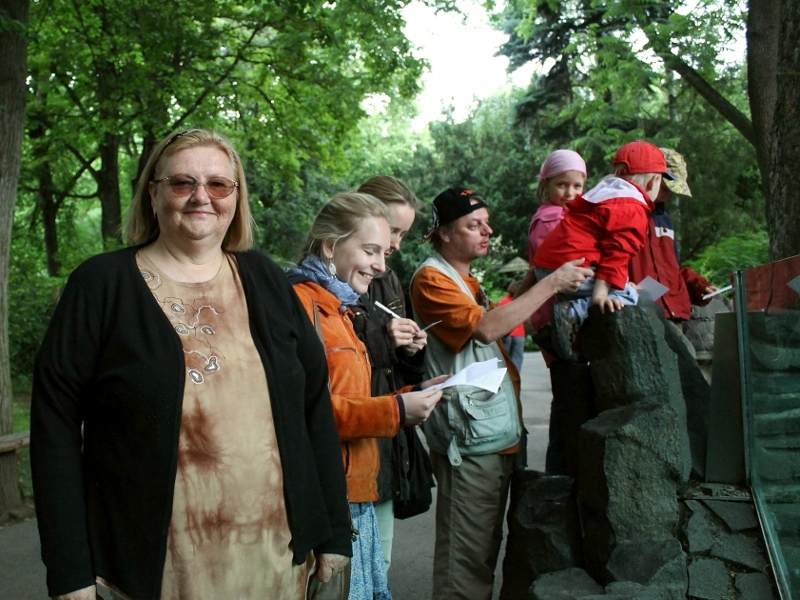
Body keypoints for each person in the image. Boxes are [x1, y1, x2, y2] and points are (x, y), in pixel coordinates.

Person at [30, 129, 352, 600]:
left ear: (235, 199)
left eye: (219, 185)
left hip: (272, 559)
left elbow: (312, 409)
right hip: (155, 569)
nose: (202, 196)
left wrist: (334, 530)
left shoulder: (265, 278)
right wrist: (69, 567)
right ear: (154, 193)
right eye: (183, 183)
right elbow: (54, 426)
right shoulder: (101, 285)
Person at [408, 187, 592, 600]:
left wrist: (534, 276)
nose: (487, 231)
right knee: (465, 562)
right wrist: (552, 284)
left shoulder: (463, 278)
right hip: (470, 443)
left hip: (492, 435)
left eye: (486, 223)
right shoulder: (432, 279)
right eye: (474, 225)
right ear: (444, 235)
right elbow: (487, 329)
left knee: (484, 551)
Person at [286, 191, 446, 600]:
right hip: (331, 499)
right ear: (330, 246)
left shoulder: (341, 306)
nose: (381, 264)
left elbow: (351, 392)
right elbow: (307, 413)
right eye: (371, 250)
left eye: (385, 252)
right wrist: (396, 411)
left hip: (357, 495)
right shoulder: (300, 304)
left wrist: (412, 393)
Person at [533, 140, 674, 360]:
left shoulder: (605, 195)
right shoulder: (633, 208)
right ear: (653, 181)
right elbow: (616, 254)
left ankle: (569, 319)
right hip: (570, 270)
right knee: (629, 296)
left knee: (622, 286)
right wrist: (601, 294)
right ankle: (573, 313)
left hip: (548, 266)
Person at [352, 176, 427, 574]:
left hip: (384, 441)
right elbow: (334, 361)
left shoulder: (389, 278)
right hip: (351, 443)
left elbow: (392, 362)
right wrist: (384, 339)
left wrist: (413, 351)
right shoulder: (323, 283)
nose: (396, 244)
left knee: (379, 566)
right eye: (392, 230)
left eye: (400, 233)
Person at [628, 148, 717, 333]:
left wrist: (698, 286)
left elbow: (671, 270)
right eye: (665, 185)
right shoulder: (627, 214)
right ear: (652, 177)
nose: (669, 192)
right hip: (638, 311)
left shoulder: (665, 220)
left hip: (672, 314)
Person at [499, 282, 525, 373]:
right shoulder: (521, 302)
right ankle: (516, 378)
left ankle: (507, 376)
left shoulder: (503, 302)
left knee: (505, 357)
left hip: (506, 334)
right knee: (517, 357)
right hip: (519, 334)